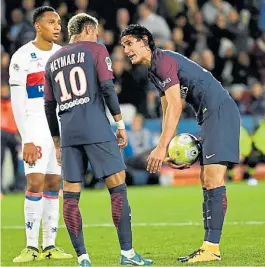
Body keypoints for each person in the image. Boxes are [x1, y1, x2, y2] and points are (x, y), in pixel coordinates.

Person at [121, 24, 240, 263]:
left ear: (145, 40)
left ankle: (212, 248)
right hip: (209, 114)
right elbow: (168, 111)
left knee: (214, 179)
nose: (125, 50)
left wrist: (161, 147)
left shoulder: (162, 60)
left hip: (218, 111)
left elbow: (176, 105)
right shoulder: (155, 69)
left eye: (130, 43)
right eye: (124, 45)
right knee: (206, 178)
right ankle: (209, 247)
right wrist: (173, 148)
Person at [44, 13, 153, 267]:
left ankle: (82, 257)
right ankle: (127, 254)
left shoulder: (52, 61)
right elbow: (106, 88)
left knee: (70, 196)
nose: (99, 35)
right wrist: (118, 123)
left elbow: (49, 107)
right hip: (95, 127)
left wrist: (57, 141)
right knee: (117, 187)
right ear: (88, 29)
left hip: (69, 133)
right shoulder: (95, 49)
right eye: (96, 31)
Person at [9, 6, 72, 262]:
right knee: (35, 182)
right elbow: (17, 100)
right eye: (50, 22)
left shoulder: (62, 55)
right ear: (38, 26)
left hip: (58, 129)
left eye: (58, 23)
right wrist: (26, 138)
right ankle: (30, 246)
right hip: (34, 126)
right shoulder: (22, 56)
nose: (57, 27)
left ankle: (50, 245)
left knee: (54, 184)